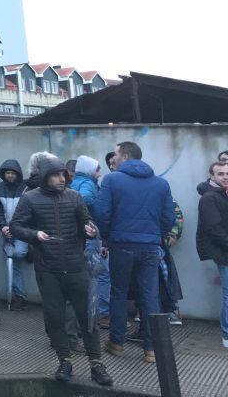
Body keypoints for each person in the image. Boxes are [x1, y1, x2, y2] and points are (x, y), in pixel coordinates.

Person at [9, 152, 114, 386]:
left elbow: (88, 222)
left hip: (77, 266)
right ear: (45, 177)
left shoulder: (75, 197)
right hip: (48, 268)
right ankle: (64, 360)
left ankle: (96, 363)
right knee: (55, 317)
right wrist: (34, 234)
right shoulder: (30, 198)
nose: (61, 179)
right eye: (56, 175)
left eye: (63, 175)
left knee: (87, 316)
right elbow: (15, 226)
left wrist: (91, 231)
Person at [94, 141, 175, 364]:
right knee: (150, 296)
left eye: (117, 155)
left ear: (126, 156)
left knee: (118, 293)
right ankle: (151, 349)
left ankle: (116, 343)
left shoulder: (111, 180)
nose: (114, 159)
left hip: (121, 245)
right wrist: (156, 236)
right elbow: (169, 218)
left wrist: (107, 238)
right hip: (150, 247)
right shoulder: (161, 184)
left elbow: (101, 213)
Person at [71, 155, 109, 326]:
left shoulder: (75, 182)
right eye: (97, 170)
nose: (99, 174)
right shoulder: (87, 184)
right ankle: (102, 313)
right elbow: (84, 199)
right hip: (90, 233)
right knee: (100, 274)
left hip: (79, 235)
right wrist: (97, 208)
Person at [197, 161, 228, 350]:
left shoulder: (223, 194)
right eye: (221, 173)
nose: (225, 176)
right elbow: (213, 228)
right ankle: (226, 333)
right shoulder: (210, 197)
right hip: (224, 252)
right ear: (212, 176)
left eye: (227, 173)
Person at [0, 159, 29, 310]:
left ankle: (19, 295)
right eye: (7, 173)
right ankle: (19, 296)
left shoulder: (25, 188)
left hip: (22, 230)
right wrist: (3, 227)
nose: (9, 175)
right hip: (7, 230)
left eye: (12, 173)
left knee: (18, 254)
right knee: (12, 263)